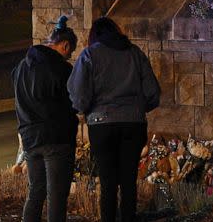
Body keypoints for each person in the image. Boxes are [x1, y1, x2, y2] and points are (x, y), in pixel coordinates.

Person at [67, 17, 160, 222]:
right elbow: (152, 92)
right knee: (128, 181)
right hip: (133, 124)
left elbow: (78, 98)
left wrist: (86, 110)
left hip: (101, 125)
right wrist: (137, 109)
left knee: (108, 182)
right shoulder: (135, 53)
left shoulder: (90, 55)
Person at [12, 15, 79, 222]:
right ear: (65, 45)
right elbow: (74, 103)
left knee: (36, 192)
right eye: (70, 53)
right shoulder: (62, 69)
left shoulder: (20, 68)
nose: (68, 57)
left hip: (31, 139)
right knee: (57, 197)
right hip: (57, 138)